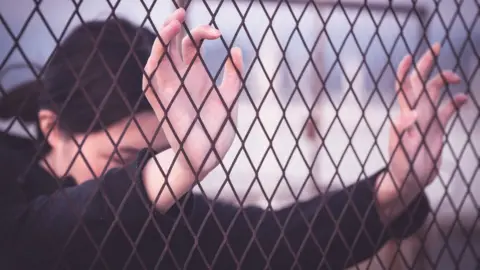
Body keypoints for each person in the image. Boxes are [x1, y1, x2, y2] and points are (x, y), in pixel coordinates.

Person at [0, 8, 467, 270]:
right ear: (52, 127)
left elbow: (276, 240)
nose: (147, 170)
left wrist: (395, 188)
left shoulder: (161, 211)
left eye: (156, 155)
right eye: (121, 156)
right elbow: (27, 242)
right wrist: (174, 170)